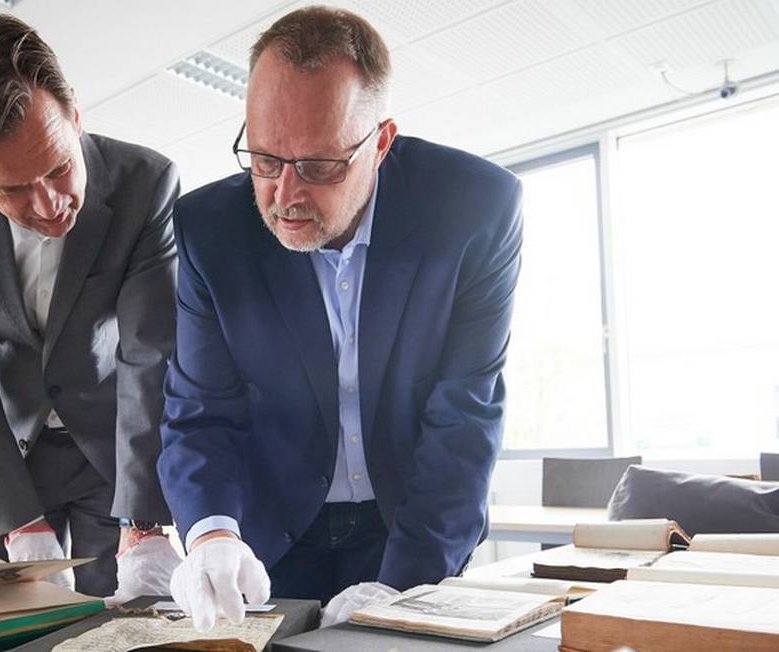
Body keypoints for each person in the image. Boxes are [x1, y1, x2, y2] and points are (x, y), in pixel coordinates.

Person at [159, 6, 523, 630]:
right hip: (271, 535)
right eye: (266, 159)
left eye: (319, 166)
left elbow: (464, 414)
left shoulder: (475, 209)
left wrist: (402, 585)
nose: (285, 194)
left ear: (379, 143)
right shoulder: (208, 231)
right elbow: (200, 413)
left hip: (410, 522)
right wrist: (211, 534)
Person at [0, 14, 181, 599]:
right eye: (12, 189)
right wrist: (19, 522)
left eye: (59, 167)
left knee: (124, 625)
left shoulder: (146, 183)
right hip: (8, 455)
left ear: (74, 113)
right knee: (15, 624)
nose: (50, 204)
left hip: (114, 452)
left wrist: (146, 519)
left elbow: (149, 357)